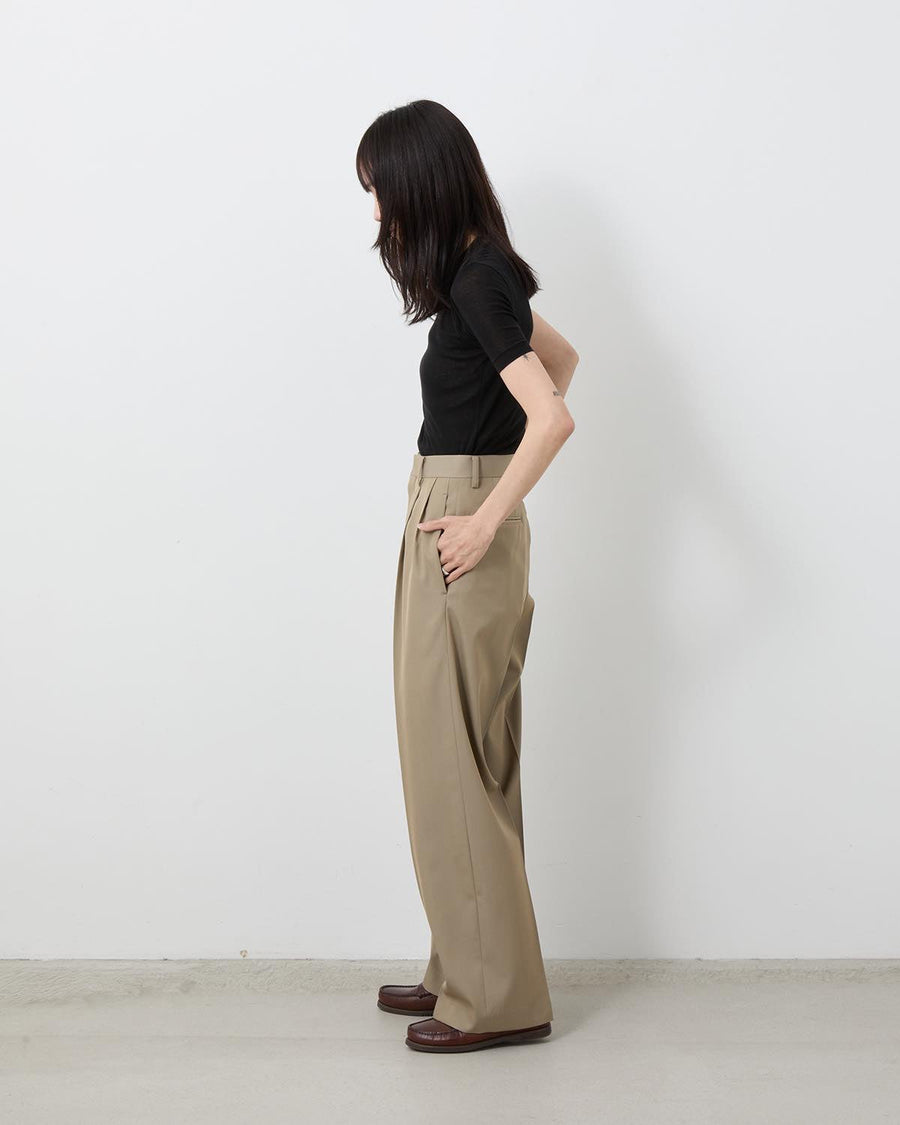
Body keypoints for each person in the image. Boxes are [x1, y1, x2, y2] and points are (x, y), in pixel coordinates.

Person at [356, 100, 578, 1053]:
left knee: (453, 757)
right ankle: (466, 959)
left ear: (422, 185)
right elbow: (562, 361)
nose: (378, 216)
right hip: (455, 509)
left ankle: (497, 999)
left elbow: (553, 413)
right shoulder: (481, 272)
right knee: (458, 752)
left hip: (461, 525)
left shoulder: (480, 279)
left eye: (381, 193)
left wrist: (486, 511)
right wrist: (488, 479)